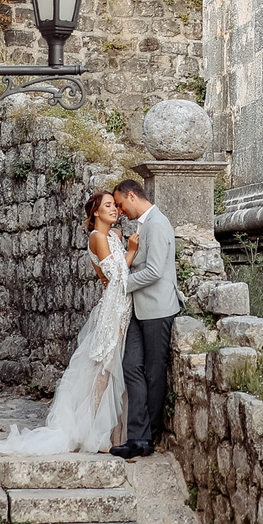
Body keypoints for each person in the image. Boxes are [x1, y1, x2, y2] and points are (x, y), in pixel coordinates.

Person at [0, 190, 136, 456]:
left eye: (115, 205)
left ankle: (114, 433)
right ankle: (94, 434)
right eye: (108, 205)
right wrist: (133, 252)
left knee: (117, 369)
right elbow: (115, 276)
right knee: (103, 372)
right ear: (95, 212)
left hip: (123, 307)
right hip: (112, 310)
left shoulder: (115, 235)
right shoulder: (97, 237)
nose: (114, 209)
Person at [109, 178, 178, 460]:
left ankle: (147, 438)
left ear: (132, 196)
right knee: (131, 366)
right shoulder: (144, 224)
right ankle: (137, 435)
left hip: (158, 308)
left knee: (154, 371)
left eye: (120, 204)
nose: (120, 210)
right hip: (140, 308)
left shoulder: (158, 224)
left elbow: (155, 271)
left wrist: (121, 284)